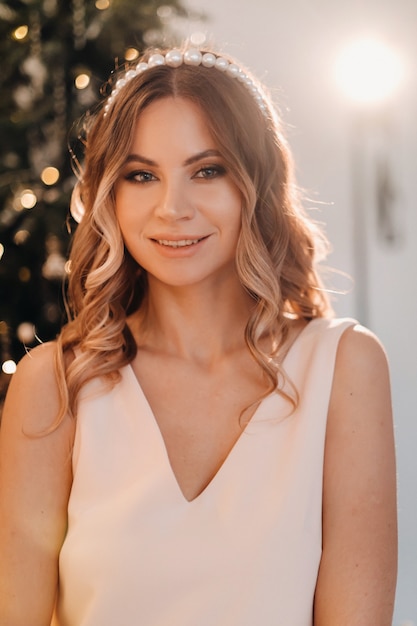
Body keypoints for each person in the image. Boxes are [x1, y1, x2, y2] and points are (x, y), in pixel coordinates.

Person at [0, 44, 397, 626]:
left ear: (255, 183)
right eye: (142, 176)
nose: (172, 208)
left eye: (207, 170)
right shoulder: (56, 385)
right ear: (110, 194)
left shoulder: (343, 367)